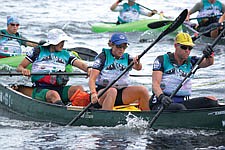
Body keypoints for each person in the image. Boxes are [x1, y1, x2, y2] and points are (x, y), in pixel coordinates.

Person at [17, 28, 91, 105]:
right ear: (53, 43)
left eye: (63, 41)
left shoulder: (66, 54)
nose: (62, 44)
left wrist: (88, 69)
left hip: (59, 88)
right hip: (41, 88)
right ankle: (62, 111)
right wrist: (24, 70)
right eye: (60, 42)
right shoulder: (37, 51)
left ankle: (77, 109)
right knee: (54, 95)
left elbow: (81, 65)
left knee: (79, 89)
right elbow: (20, 67)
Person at [150, 32, 220, 111]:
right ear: (176, 46)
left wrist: (210, 54)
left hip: (181, 102)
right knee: (180, 108)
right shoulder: (162, 60)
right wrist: (162, 97)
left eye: (190, 48)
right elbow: (155, 84)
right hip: (161, 103)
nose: (187, 50)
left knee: (212, 101)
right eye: (184, 47)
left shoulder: (192, 61)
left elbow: (209, 62)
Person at [89, 33, 150, 110]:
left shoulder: (127, 57)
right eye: (119, 46)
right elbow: (92, 79)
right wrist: (93, 94)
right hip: (102, 93)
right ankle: (106, 117)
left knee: (143, 90)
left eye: (124, 47)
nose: (121, 49)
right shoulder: (102, 57)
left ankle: (147, 117)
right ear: (111, 45)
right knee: (112, 91)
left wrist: (138, 62)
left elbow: (138, 68)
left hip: (121, 92)